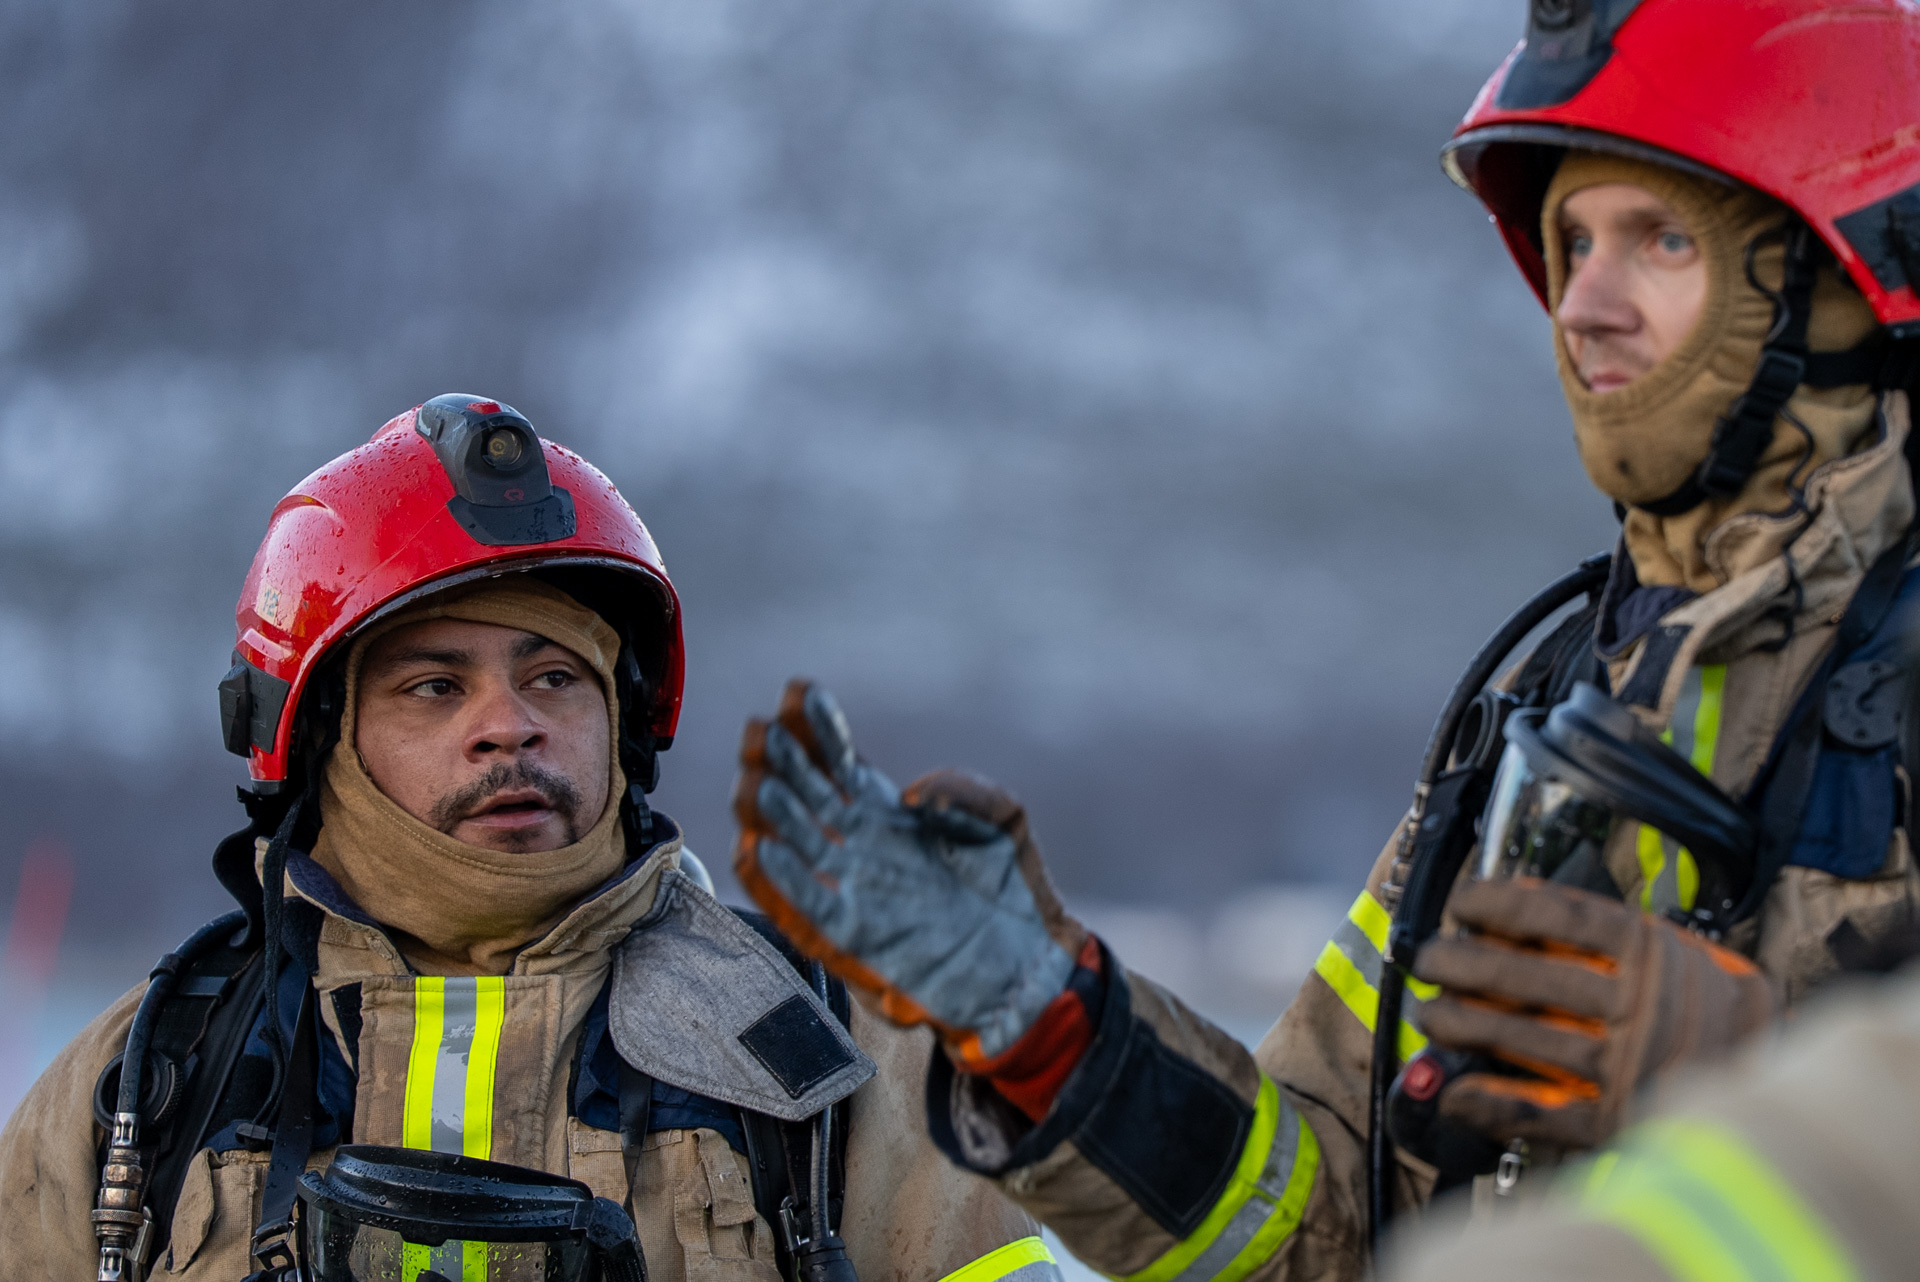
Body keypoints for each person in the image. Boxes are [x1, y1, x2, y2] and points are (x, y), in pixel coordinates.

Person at [724, 2, 1920, 1279]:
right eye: (1571, 242)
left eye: (1662, 239)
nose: (1584, 304)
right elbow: (1322, 1210)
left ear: (1844, 270)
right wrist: (1056, 1029)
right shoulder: (1553, 701)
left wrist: (1772, 1066)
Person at [0, 396, 1056, 1282]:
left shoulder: (837, 1060)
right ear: (317, 736)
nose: (509, 722)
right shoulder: (149, 1077)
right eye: (435, 685)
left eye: (554, 675)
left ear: (622, 718)